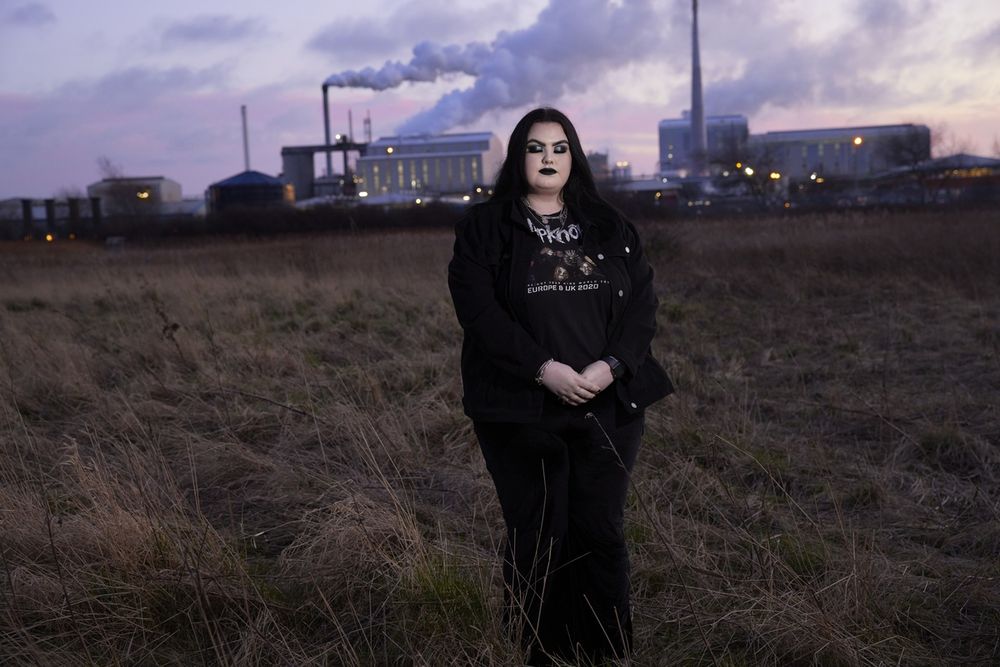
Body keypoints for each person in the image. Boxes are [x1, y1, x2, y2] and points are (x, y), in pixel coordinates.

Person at [448, 107, 673, 665]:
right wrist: (544, 368)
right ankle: (543, 652)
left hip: (608, 402)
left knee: (601, 530)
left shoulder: (609, 224)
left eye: (559, 148)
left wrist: (613, 366)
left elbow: (642, 304)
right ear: (517, 157)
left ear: (573, 157)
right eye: (534, 147)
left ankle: (608, 651)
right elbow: (480, 314)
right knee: (538, 533)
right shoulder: (484, 227)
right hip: (521, 407)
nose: (547, 158)